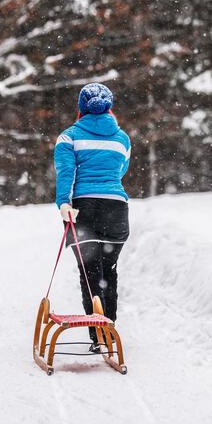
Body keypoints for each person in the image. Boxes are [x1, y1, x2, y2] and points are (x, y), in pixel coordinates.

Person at [54, 83, 131, 350]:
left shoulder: (69, 137)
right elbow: (121, 170)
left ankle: (98, 336)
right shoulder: (122, 138)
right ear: (109, 107)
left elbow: (66, 172)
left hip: (83, 209)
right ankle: (109, 332)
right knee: (108, 272)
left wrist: (64, 202)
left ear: (81, 107)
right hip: (116, 208)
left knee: (89, 273)